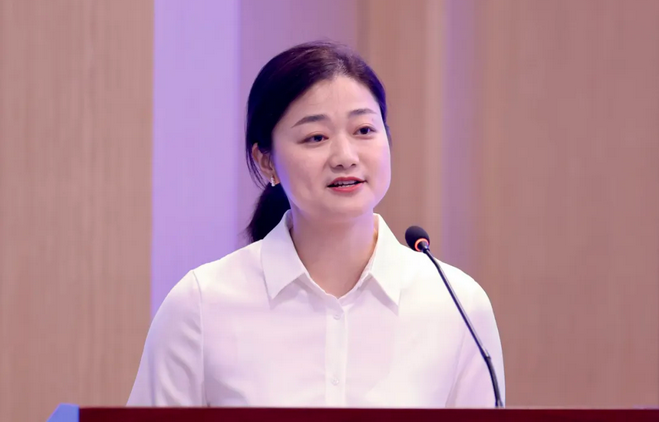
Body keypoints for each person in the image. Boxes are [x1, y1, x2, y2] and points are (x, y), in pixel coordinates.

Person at [127, 40, 505, 408]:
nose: (345, 156)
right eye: (316, 137)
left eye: (364, 130)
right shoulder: (201, 304)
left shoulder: (457, 305)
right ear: (266, 161)